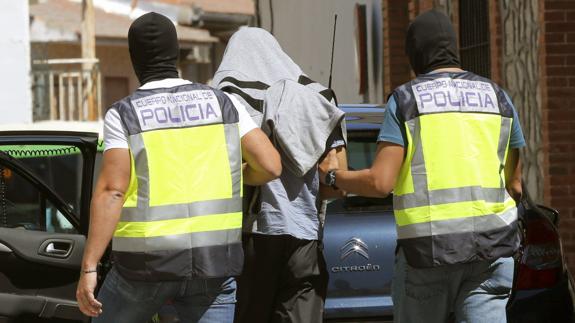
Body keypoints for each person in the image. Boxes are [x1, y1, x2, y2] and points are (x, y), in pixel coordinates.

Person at [319, 9, 525, 323]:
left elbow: (380, 183)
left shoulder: (406, 101)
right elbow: (515, 186)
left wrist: (333, 175)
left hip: (429, 254)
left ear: (416, 52)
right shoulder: (498, 97)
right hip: (493, 250)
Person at [75, 12, 281, 323]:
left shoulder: (125, 115)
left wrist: (89, 267)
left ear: (135, 59)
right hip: (214, 263)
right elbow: (270, 166)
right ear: (175, 53)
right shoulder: (224, 103)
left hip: (145, 267)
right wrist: (237, 174)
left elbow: (111, 192)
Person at [212, 28, 348, 323]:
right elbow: (335, 184)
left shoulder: (230, 98)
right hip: (306, 240)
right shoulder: (319, 98)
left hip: (253, 240)